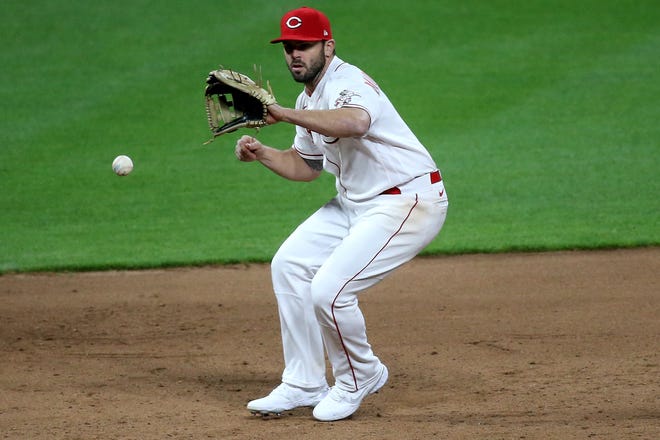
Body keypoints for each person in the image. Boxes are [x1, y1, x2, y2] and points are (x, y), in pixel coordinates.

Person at [236, 6, 448, 422]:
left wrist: (282, 113)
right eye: (289, 47)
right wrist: (262, 153)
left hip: (405, 201)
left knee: (330, 292)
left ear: (328, 47)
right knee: (290, 265)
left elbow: (355, 122)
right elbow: (306, 166)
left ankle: (359, 376)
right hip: (356, 204)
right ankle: (304, 382)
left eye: (305, 46)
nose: (295, 54)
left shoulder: (349, 83)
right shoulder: (307, 99)